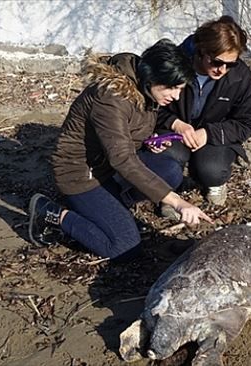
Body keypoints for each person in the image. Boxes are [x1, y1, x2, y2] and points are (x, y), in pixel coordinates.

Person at [27, 39, 213, 261]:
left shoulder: (145, 88)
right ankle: (51, 213)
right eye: (173, 88)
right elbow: (122, 159)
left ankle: (110, 209)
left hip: (107, 167)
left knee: (170, 172)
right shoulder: (110, 97)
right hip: (81, 175)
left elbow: (125, 135)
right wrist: (177, 202)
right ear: (153, 77)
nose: (176, 96)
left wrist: (149, 140)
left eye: (180, 89)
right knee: (125, 246)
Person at [156, 16, 251, 211]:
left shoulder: (240, 76)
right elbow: (152, 106)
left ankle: (213, 182)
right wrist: (175, 123)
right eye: (217, 62)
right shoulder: (175, 64)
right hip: (174, 130)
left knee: (212, 171)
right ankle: (168, 193)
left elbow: (248, 122)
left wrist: (208, 133)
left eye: (230, 64)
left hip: (214, 133)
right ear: (202, 51)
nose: (222, 70)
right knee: (167, 160)